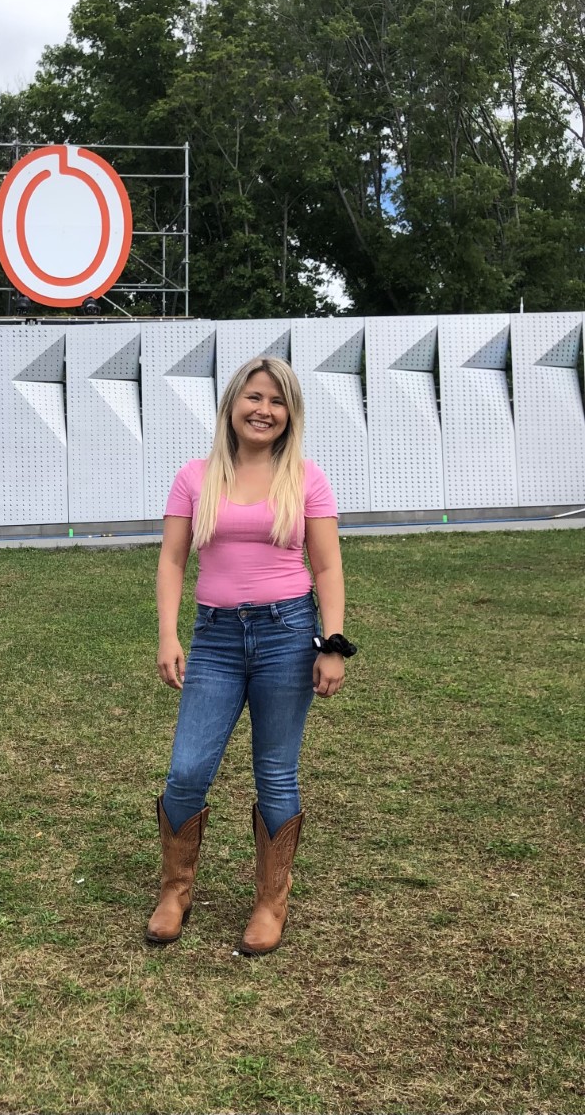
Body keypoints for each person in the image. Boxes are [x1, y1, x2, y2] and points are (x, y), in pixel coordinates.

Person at [146, 356, 353, 955]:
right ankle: (175, 890)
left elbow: (328, 566)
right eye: (254, 397)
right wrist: (168, 634)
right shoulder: (195, 476)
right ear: (233, 404)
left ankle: (269, 902)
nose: (264, 410)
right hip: (213, 638)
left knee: (275, 774)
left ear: (290, 415)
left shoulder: (307, 478)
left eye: (277, 401)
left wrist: (332, 645)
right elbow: (172, 561)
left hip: (288, 636)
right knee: (187, 770)